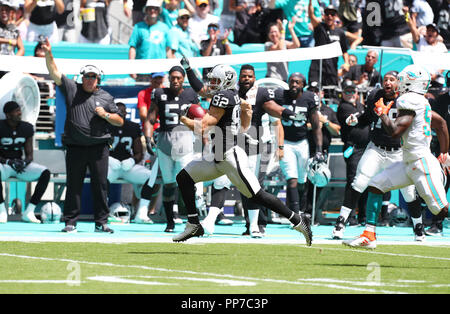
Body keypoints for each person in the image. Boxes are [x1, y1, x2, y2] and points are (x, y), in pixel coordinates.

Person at [172, 57, 312, 244]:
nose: (212, 84)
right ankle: (193, 224)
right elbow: (246, 109)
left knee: (257, 195)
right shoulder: (233, 95)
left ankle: (298, 220)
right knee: (184, 178)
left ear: (226, 81)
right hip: (217, 155)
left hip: (230, 157)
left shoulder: (223, 97)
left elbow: (203, 128)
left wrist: (183, 118)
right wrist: (243, 125)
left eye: (215, 80)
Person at [344, 65, 450, 249]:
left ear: (411, 83)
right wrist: (444, 152)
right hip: (408, 160)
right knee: (376, 185)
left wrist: (383, 114)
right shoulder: (420, 101)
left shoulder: (409, 100)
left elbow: (394, 132)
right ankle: (369, 235)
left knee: (440, 210)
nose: (398, 84)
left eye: (401, 80)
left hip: (421, 162)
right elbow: (440, 124)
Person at [42, 38, 124, 233]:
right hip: (76, 147)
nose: (90, 79)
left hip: (99, 148)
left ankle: (101, 222)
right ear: (82, 77)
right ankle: (70, 222)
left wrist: (105, 114)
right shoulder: (72, 89)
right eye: (87, 76)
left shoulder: (106, 97)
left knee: (101, 185)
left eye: (93, 77)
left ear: (98, 79)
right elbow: (54, 72)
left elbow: (119, 121)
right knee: (74, 185)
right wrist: (48, 54)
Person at [332, 71, 423, 241]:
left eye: (392, 79)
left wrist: (382, 112)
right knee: (358, 182)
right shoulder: (376, 95)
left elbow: (399, 130)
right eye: (385, 79)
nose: (388, 82)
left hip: (399, 152)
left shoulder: (406, 100)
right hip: (377, 149)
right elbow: (368, 116)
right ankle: (341, 222)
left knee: (409, 192)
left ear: (399, 83)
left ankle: (418, 226)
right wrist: (356, 118)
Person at [144, 65, 201, 233]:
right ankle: (170, 221)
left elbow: (199, 118)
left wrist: (200, 141)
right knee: (168, 183)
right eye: (172, 77)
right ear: (169, 78)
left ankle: (193, 219)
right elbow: (150, 117)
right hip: (165, 140)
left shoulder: (190, 94)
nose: (175, 80)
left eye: (178, 77)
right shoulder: (160, 93)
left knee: (186, 182)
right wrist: (148, 137)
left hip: (184, 139)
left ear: (183, 78)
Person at [236, 64, 290, 237]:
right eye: (243, 76)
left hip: (262, 145)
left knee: (254, 184)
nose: (246, 79)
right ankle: (251, 222)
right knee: (244, 185)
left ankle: (260, 222)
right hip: (237, 144)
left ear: (254, 78)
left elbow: (277, 123)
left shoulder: (262, 96)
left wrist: (279, 147)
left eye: (250, 76)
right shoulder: (233, 94)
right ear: (239, 77)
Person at [278, 72, 325, 219]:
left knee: (302, 180)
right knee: (291, 178)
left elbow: (316, 126)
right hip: (285, 142)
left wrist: (318, 150)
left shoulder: (309, 98)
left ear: (303, 85)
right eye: (292, 81)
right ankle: (295, 214)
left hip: (302, 142)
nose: (294, 84)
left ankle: (302, 210)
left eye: (297, 82)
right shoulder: (281, 96)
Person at [0, 101, 51, 224]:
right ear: (8, 115)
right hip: (4, 164)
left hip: (18, 165)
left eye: (19, 110)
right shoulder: (1, 127)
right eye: (16, 111)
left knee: (45, 172)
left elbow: (29, 155)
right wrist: (8, 161)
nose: (20, 113)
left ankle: (29, 211)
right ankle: (1, 210)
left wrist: (23, 163)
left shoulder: (26, 127)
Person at [107, 103, 157, 224]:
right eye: (117, 112)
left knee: (151, 176)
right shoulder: (106, 126)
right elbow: (99, 149)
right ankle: (102, 212)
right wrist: (108, 159)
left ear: (126, 113)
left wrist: (132, 160)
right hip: (110, 165)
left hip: (127, 166)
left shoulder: (132, 127)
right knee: (101, 179)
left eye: (122, 112)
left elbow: (139, 152)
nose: (120, 114)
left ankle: (142, 212)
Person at [336, 80, 370, 226]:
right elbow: (352, 121)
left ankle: (362, 216)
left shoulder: (362, 106)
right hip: (353, 149)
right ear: (342, 94)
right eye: (347, 92)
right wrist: (364, 116)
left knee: (366, 181)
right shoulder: (343, 107)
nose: (350, 94)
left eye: (353, 91)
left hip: (367, 148)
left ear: (357, 93)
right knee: (353, 182)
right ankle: (349, 216)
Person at [308, 2, 350, 96]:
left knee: (331, 96)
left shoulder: (340, 33)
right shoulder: (319, 27)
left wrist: (346, 62)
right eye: (327, 14)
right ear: (324, 15)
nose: (329, 16)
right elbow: (311, 15)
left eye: (332, 14)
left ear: (336, 16)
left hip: (331, 69)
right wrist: (310, 2)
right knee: (313, 94)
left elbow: (344, 50)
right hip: (317, 67)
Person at [128, 0, 171, 81]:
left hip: (160, 72)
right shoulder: (138, 27)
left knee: (159, 93)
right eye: (150, 8)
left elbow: (168, 50)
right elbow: (132, 48)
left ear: (158, 11)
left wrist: (170, 70)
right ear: (146, 11)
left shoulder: (165, 28)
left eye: (155, 8)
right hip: (142, 71)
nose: (152, 11)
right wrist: (131, 68)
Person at [264, 18, 300, 82]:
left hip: (283, 78)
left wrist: (291, 29)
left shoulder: (284, 42)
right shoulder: (268, 45)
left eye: (275, 31)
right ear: (268, 34)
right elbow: (280, 48)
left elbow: (297, 45)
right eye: (271, 32)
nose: (274, 34)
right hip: (272, 78)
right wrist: (282, 32)